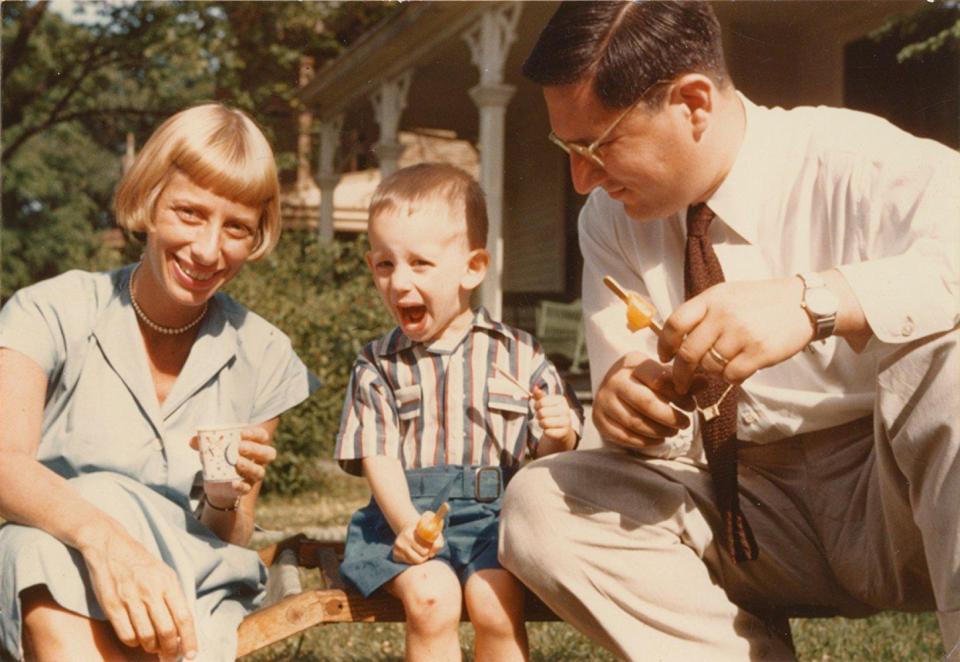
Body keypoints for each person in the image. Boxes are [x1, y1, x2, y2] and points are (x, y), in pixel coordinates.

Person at [498, 2, 960, 660]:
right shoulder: (609, 218)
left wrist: (812, 302)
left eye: (596, 146)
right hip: (740, 507)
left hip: (900, 506)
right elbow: (631, 391)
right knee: (540, 505)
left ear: (692, 103)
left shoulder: (855, 163)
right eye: (566, 149)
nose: (580, 180)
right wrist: (625, 401)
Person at [0, 103, 319, 661]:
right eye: (190, 213)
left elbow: (228, 537)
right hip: (61, 560)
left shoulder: (263, 353)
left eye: (236, 227)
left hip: (192, 583)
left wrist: (223, 498)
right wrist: (107, 542)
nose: (208, 250)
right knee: (39, 545)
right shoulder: (49, 311)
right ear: (147, 200)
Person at [334, 163, 583, 661]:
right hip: (402, 516)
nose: (399, 281)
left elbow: (549, 453)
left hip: (497, 520)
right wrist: (406, 523)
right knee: (433, 598)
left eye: (419, 264)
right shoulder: (377, 363)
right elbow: (376, 456)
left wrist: (560, 431)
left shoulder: (519, 354)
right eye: (385, 265)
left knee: (495, 602)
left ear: (472, 268)